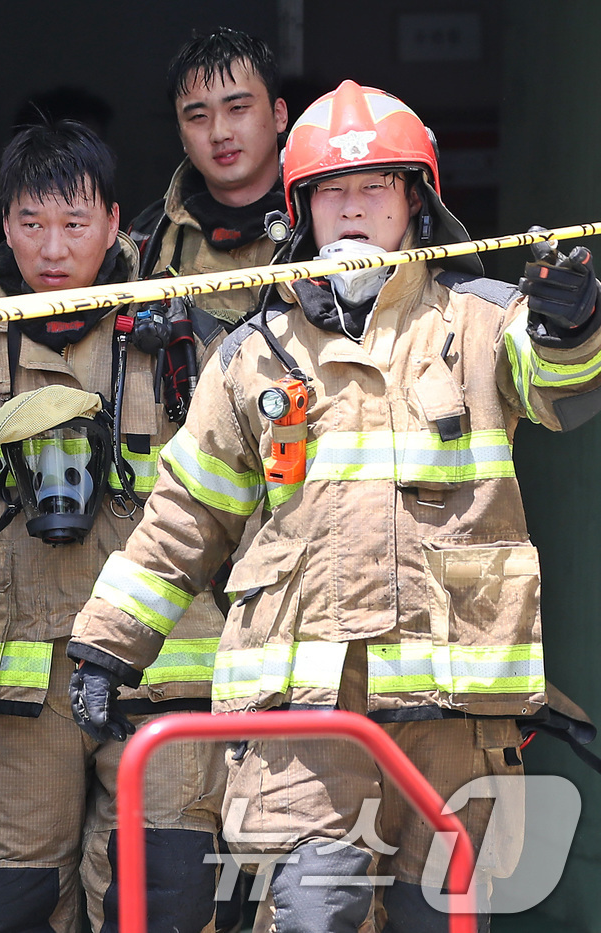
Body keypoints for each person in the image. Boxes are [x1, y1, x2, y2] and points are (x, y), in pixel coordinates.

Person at [69, 79, 601, 932]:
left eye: (374, 188)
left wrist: (572, 324)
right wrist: (106, 643)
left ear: (414, 203)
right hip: (303, 721)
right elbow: (184, 516)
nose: (352, 210)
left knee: (442, 921)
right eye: (331, 192)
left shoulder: (482, 322)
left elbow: (562, 390)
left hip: (451, 715)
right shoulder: (254, 354)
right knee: (313, 915)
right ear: (302, 210)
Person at [0, 119, 227, 933]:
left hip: (163, 684)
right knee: (8, 912)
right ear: (4, 225)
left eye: (75, 224)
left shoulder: (181, 341)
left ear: (117, 224)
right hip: (13, 693)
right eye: (32, 223)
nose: (52, 247)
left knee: (167, 906)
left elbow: (252, 514)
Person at [130, 27, 288, 329]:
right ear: (181, 135)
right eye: (198, 117)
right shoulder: (147, 242)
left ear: (279, 114)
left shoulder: (329, 219)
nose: (219, 133)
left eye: (238, 108)